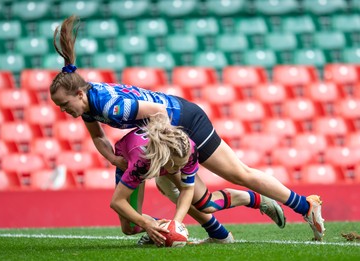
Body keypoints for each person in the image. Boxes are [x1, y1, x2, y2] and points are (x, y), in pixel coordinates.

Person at [50, 15, 325, 241]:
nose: (65, 112)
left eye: (64, 105)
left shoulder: (110, 106)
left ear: (79, 94)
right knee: (178, 190)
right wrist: (115, 158)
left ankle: (305, 206)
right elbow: (98, 137)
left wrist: (161, 146)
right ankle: (214, 233)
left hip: (185, 121)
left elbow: (157, 112)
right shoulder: (88, 106)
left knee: (240, 173)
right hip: (168, 127)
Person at [111, 113, 284, 246]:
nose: (181, 170)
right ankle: (160, 228)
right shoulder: (141, 162)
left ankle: (253, 199)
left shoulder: (187, 148)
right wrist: (147, 224)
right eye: (177, 167)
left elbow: (187, 189)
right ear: (167, 161)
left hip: (164, 159)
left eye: (183, 164)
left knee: (206, 204)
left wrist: (176, 225)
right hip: (132, 162)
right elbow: (117, 202)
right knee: (130, 227)